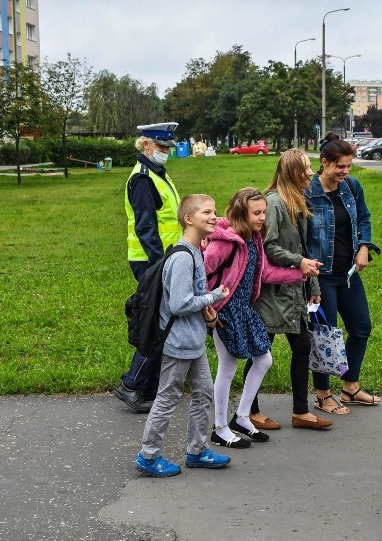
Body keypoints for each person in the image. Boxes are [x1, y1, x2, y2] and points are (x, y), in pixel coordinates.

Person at [135, 194, 231, 477]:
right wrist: (212, 296)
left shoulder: (195, 251)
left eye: (214, 212)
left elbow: (191, 297)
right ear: (189, 219)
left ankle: (197, 450)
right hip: (178, 343)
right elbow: (179, 303)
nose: (214, 217)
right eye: (207, 212)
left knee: (203, 393)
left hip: (193, 340)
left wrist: (207, 309)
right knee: (167, 397)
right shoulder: (182, 258)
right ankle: (148, 456)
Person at [203, 188, 307, 448]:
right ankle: (220, 428)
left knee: (264, 359)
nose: (263, 217)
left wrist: (300, 273)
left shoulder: (254, 238)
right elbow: (200, 272)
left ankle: (241, 417)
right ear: (241, 213)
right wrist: (208, 306)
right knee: (227, 367)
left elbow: (266, 273)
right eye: (257, 213)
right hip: (224, 310)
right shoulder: (225, 241)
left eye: (263, 212)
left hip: (244, 310)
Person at [248, 149, 332, 430]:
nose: (311, 173)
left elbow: (303, 248)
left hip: (294, 291)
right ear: (292, 171)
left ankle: (300, 412)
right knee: (262, 351)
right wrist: (300, 263)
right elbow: (268, 247)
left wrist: (313, 284)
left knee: (302, 346)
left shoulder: (297, 200)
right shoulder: (273, 203)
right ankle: (249, 411)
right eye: (306, 168)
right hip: (273, 292)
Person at [305, 132, 381, 416]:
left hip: (348, 273)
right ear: (324, 163)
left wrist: (364, 247)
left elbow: (364, 218)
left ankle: (350, 386)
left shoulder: (352, 187)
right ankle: (322, 394)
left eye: (349, 166)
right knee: (325, 334)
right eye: (341, 166)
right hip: (321, 275)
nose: (346, 172)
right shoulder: (308, 191)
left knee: (361, 328)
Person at [116, 122, 183, 413]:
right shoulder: (143, 179)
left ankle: (147, 385)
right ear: (146, 145)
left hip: (164, 258)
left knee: (162, 322)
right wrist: (161, 268)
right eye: (161, 147)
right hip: (152, 261)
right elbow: (146, 228)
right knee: (158, 324)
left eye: (168, 147)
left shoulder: (156, 173)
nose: (166, 152)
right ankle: (133, 384)